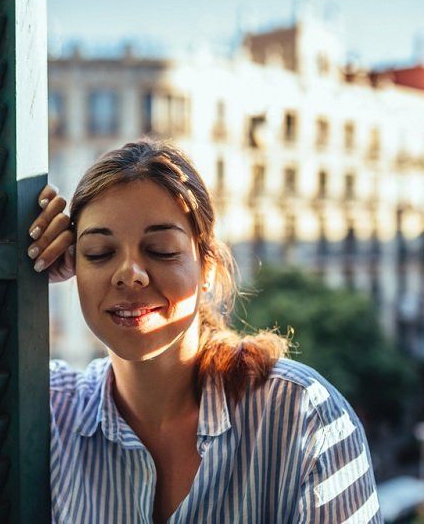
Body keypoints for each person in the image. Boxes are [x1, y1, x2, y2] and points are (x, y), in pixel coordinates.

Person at [25, 139, 382, 523]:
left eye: (162, 250)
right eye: (98, 253)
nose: (129, 274)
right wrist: (22, 280)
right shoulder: (46, 410)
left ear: (207, 267)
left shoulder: (301, 415)